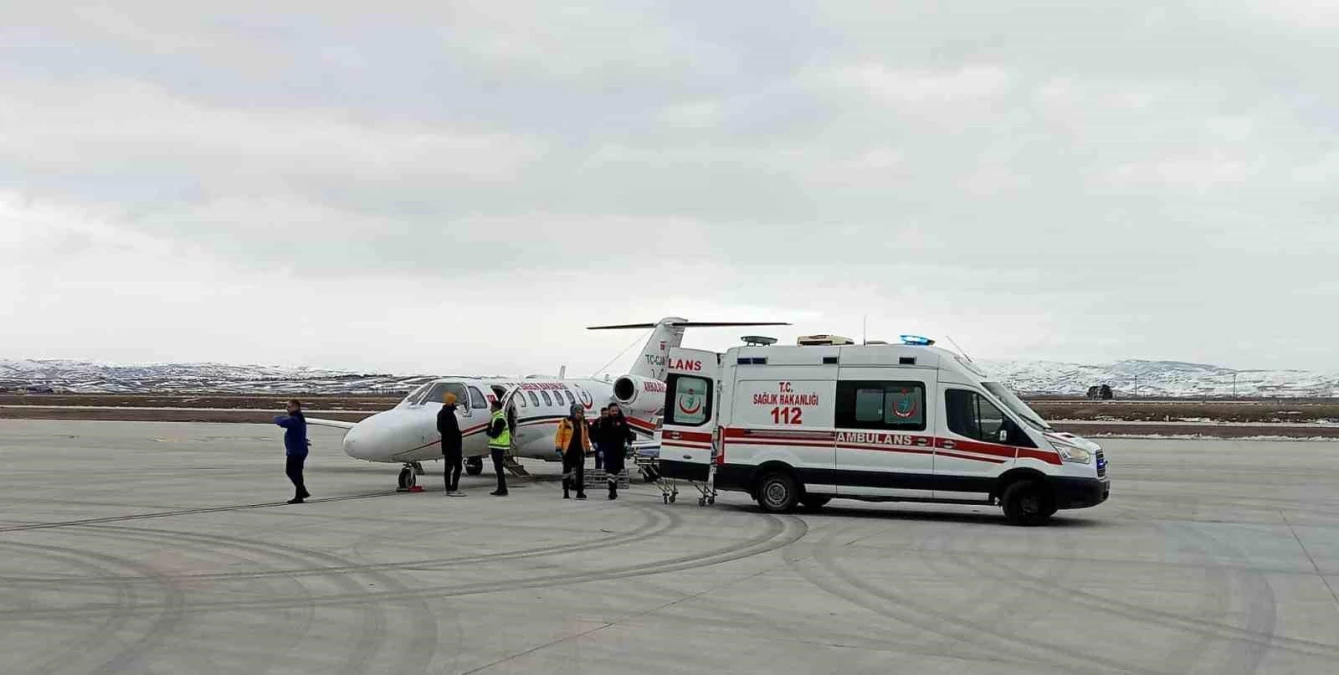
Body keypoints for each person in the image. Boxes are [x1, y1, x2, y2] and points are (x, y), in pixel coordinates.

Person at [274, 399, 310, 504]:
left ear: (296, 407)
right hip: (297, 449)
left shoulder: (296, 419)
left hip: (296, 451)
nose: (287, 408)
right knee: (297, 473)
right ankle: (300, 495)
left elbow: (281, 422)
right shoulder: (298, 418)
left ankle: (302, 492)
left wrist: (276, 418)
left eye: (289, 406)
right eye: (287, 406)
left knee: (291, 471)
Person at [597, 404, 635, 500]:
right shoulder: (604, 422)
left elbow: (628, 433)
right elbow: (600, 436)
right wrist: (600, 449)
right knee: (610, 470)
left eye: (616, 411)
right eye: (612, 411)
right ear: (609, 411)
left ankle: (614, 487)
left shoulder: (622, 421)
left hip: (619, 449)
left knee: (617, 470)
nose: (614, 412)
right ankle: (611, 490)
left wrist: (629, 444)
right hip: (608, 449)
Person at [555, 404, 591, 500]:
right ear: (573, 412)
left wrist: (587, 448)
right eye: (578, 412)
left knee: (580, 472)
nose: (580, 414)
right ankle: (566, 492)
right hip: (568, 450)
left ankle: (580, 492)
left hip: (579, 450)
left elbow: (585, 437)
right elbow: (559, 436)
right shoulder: (565, 422)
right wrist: (558, 448)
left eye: (581, 412)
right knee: (566, 472)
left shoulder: (583, 423)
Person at [438, 392, 464, 496]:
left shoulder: (443, 413)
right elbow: (448, 430)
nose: (456, 404)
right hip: (452, 445)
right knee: (455, 467)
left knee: (451, 467)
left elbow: (440, 428)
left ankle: (451, 488)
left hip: (448, 444)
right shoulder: (447, 414)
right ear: (450, 402)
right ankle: (452, 489)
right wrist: (457, 434)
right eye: (454, 402)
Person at [485, 399, 510, 496]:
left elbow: (493, 434)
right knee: (498, 468)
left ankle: (502, 489)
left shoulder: (500, 419)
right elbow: (488, 430)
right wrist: (490, 430)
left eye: (491, 406)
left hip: (499, 447)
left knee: (499, 469)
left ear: (495, 407)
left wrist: (490, 431)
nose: (490, 408)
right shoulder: (495, 417)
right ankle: (501, 488)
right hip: (495, 446)